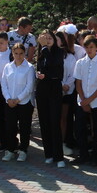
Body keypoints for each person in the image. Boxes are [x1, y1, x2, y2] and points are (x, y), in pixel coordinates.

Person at [73, 35, 97, 167]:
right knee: (79, 129)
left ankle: (94, 156)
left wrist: (90, 100)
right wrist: (83, 100)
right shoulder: (80, 63)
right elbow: (78, 83)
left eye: (92, 47)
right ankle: (83, 154)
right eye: (87, 47)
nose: (89, 50)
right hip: (82, 101)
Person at [35, 29, 67, 167]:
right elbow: (42, 68)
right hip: (42, 89)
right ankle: (48, 154)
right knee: (44, 122)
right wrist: (40, 75)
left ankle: (59, 156)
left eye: (50, 38)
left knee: (54, 121)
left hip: (54, 89)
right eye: (44, 38)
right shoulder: (41, 53)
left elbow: (54, 66)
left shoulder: (58, 52)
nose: (47, 40)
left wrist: (44, 48)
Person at [1, 43, 35, 162]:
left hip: (24, 102)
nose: (19, 56)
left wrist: (18, 99)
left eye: (21, 53)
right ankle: (10, 149)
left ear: (24, 53)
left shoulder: (29, 67)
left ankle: (23, 150)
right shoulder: (7, 67)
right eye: (16, 53)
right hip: (10, 102)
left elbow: (29, 86)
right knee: (10, 127)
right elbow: (4, 84)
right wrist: (8, 98)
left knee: (24, 127)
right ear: (12, 53)